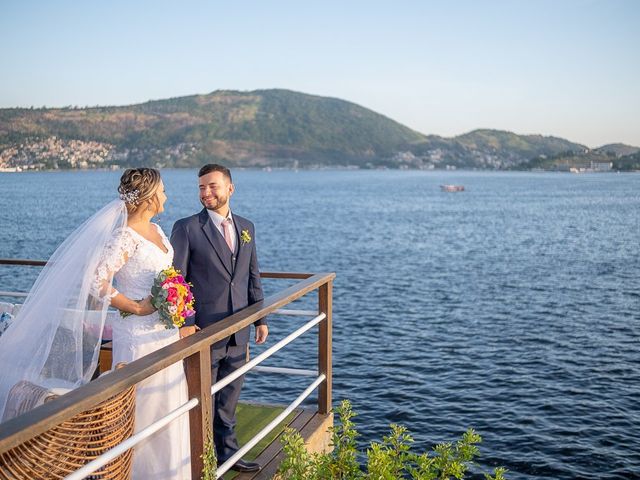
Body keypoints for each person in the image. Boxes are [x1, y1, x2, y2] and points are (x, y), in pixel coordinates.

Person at [0, 168, 192, 480]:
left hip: (165, 332)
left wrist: (176, 299)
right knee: (143, 406)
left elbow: (166, 274)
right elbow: (96, 281)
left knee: (169, 401)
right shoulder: (125, 237)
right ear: (148, 197)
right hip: (137, 335)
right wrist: (135, 306)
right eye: (164, 190)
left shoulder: (157, 231)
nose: (167, 196)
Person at [171, 164, 268, 473]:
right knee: (201, 400)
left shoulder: (246, 226)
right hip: (204, 332)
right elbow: (177, 281)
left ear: (230, 188)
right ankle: (200, 462)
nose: (205, 192)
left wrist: (259, 318)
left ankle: (229, 455)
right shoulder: (186, 228)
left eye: (212, 186)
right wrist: (186, 323)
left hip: (239, 330)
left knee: (228, 400)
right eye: (201, 187)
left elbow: (252, 276)